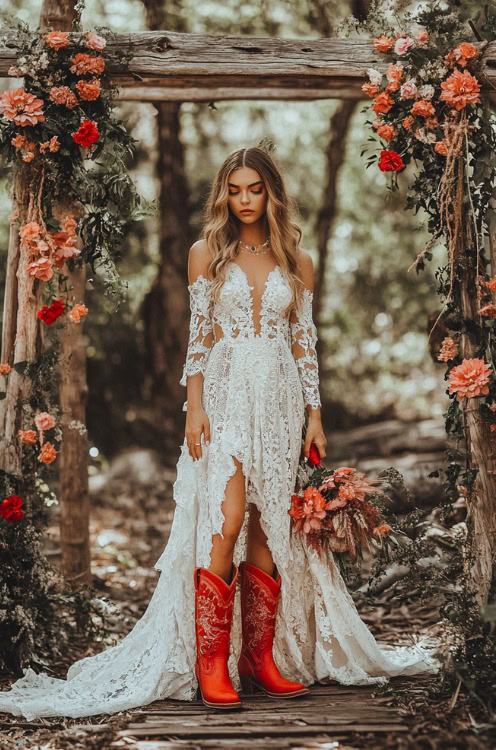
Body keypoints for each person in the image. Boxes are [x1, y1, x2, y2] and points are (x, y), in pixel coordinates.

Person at [0, 146, 440, 721]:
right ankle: (212, 663)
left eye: (254, 189)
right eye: (234, 190)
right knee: (226, 515)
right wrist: (194, 409)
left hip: (280, 395)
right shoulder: (205, 253)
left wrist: (314, 412)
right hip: (227, 395)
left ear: (272, 192)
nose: (244, 200)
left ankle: (259, 658)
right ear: (223, 195)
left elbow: (304, 341)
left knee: (267, 522)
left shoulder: (297, 261)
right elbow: (200, 339)